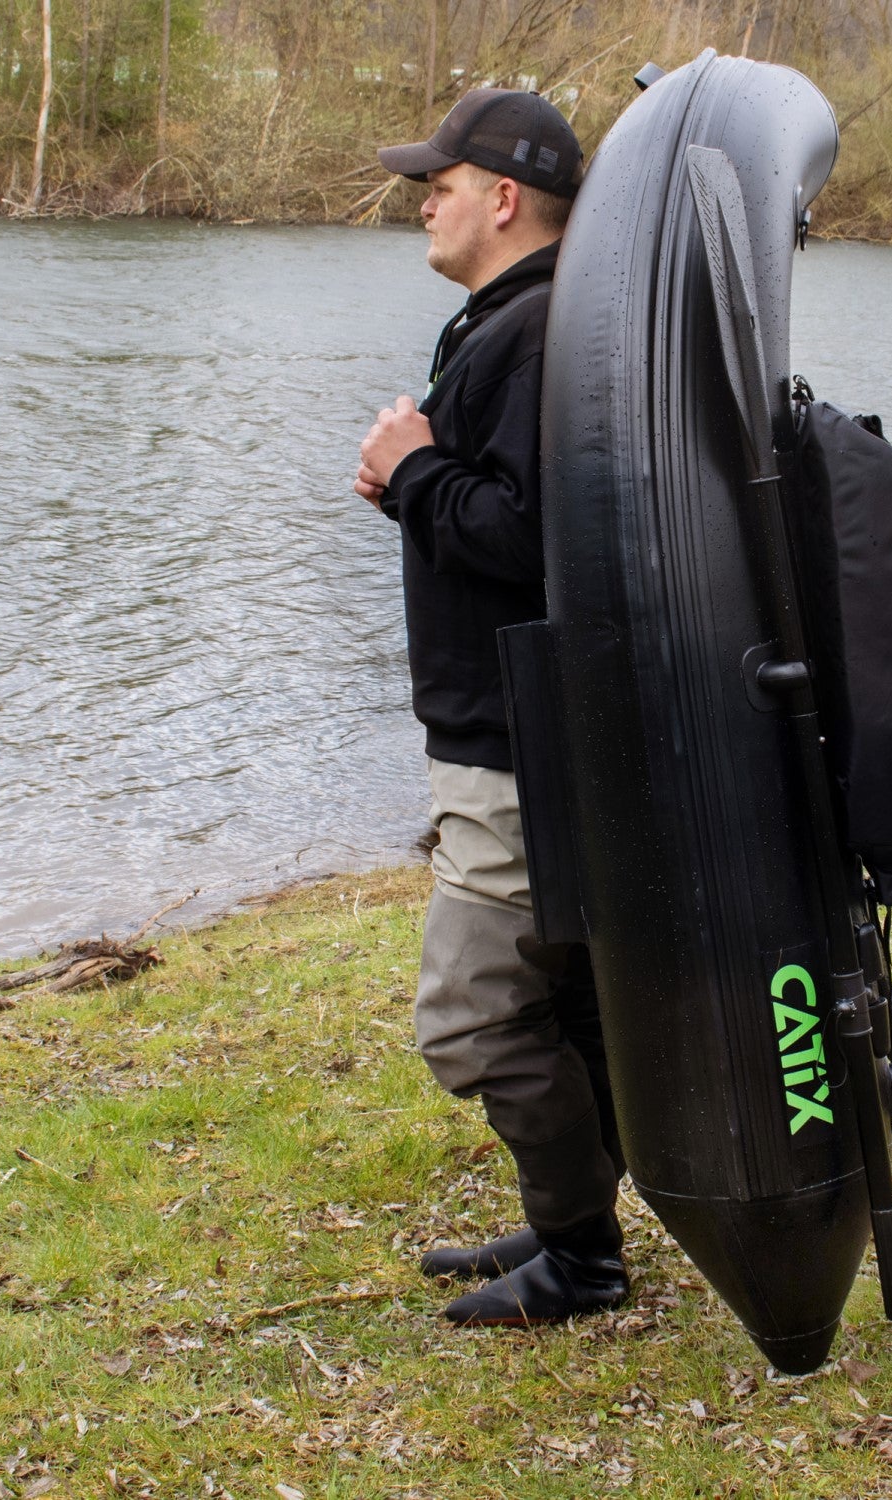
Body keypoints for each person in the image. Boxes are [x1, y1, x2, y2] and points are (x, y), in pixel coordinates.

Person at [355, 89, 626, 1327]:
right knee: (564, 996)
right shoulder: (535, 320)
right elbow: (524, 521)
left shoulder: (530, 332)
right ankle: (576, 1221)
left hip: (513, 742)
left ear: (504, 197)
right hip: (538, 727)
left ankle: (582, 1257)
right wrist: (412, 486)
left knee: (469, 1015)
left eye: (441, 180)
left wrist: (415, 464)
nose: (425, 198)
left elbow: (526, 534)